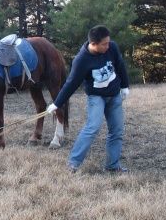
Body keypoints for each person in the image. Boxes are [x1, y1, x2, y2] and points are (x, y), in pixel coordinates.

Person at [46, 25, 130, 173]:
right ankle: (73, 163)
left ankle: (112, 166)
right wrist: (57, 103)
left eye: (108, 42)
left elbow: (120, 65)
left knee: (117, 130)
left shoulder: (112, 47)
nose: (108, 46)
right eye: (104, 44)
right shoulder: (81, 60)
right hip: (97, 97)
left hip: (114, 95)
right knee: (93, 127)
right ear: (93, 44)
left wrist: (124, 86)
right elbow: (71, 83)